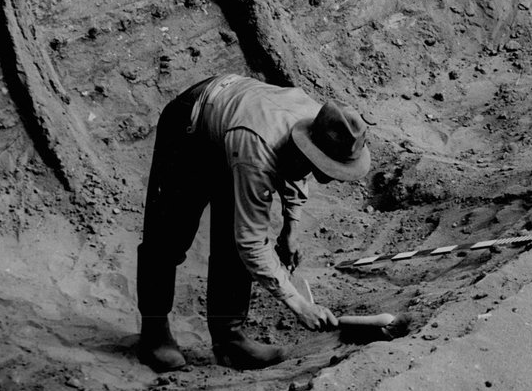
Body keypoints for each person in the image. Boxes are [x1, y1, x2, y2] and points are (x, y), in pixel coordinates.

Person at [135, 73, 372, 371]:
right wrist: (300, 305)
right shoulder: (258, 148)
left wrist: (291, 227)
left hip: (233, 127)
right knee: (169, 235)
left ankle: (229, 339)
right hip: (191, 128)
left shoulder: (323, 124)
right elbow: (251, 241)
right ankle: (153, 332)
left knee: (230, 241)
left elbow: (297, 164)